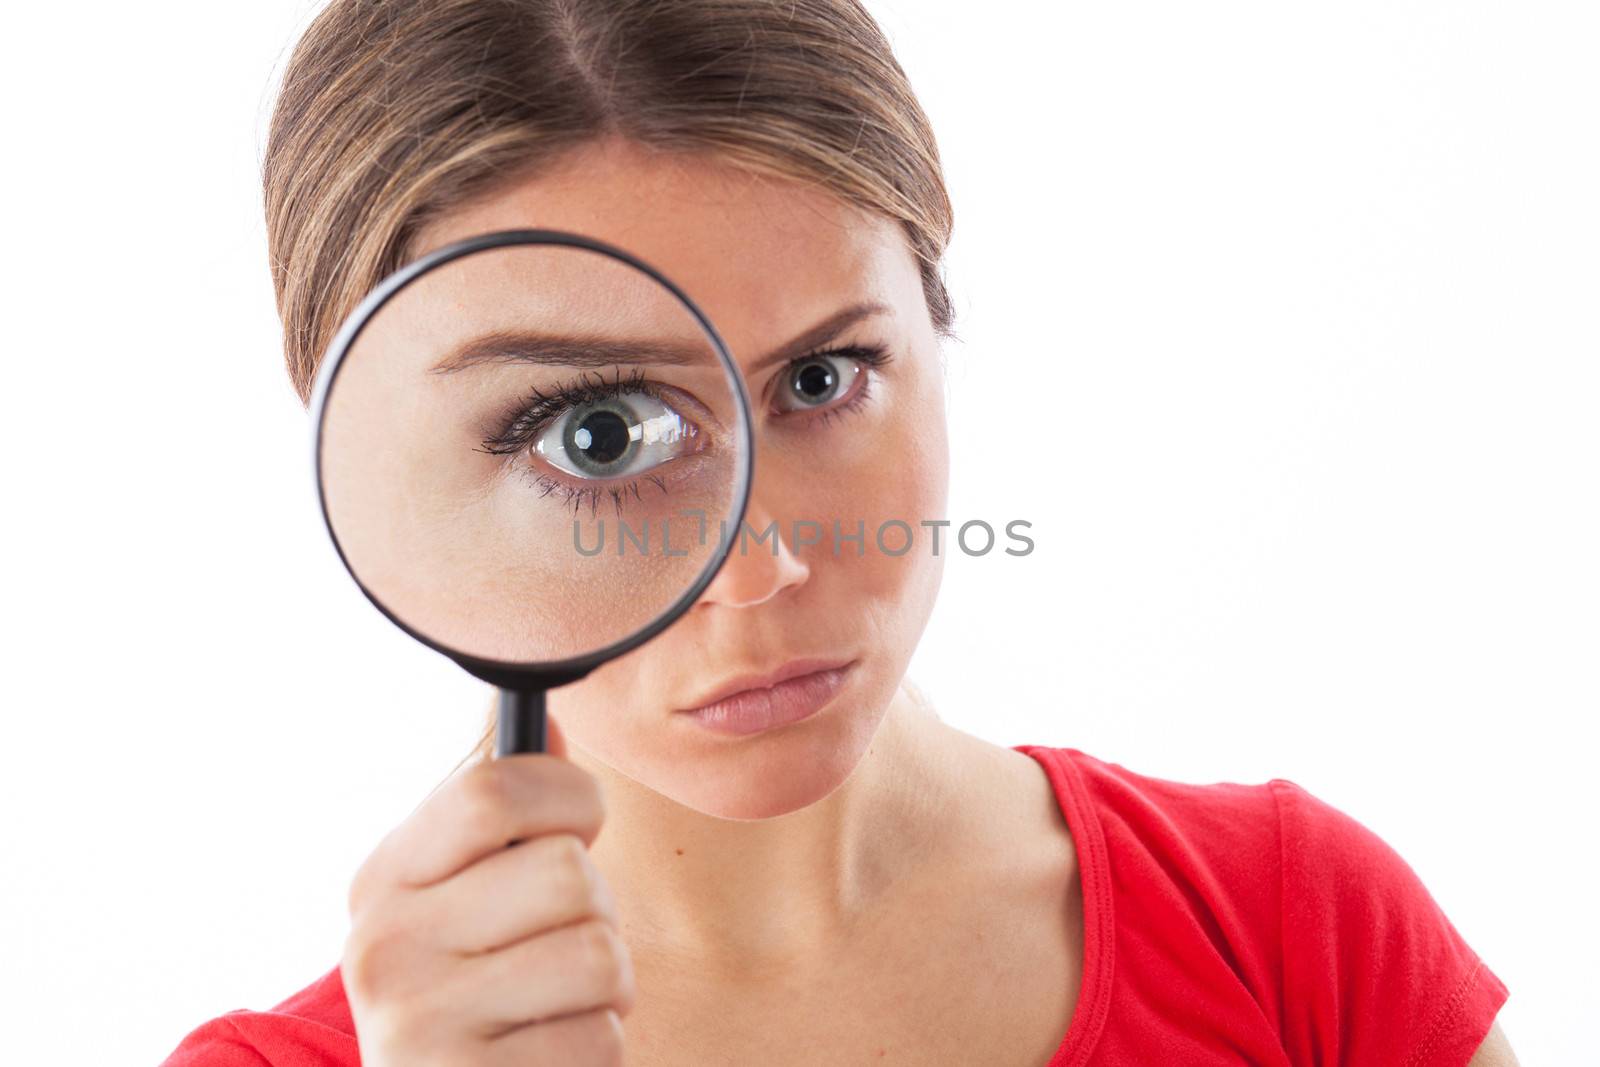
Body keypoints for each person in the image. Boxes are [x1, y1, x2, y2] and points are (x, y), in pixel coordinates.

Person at [162, 1, 1515, 1064]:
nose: (760, 568)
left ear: (932, 322)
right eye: (597, 436)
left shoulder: (1292, 935)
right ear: (366, 453)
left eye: (821, 380)